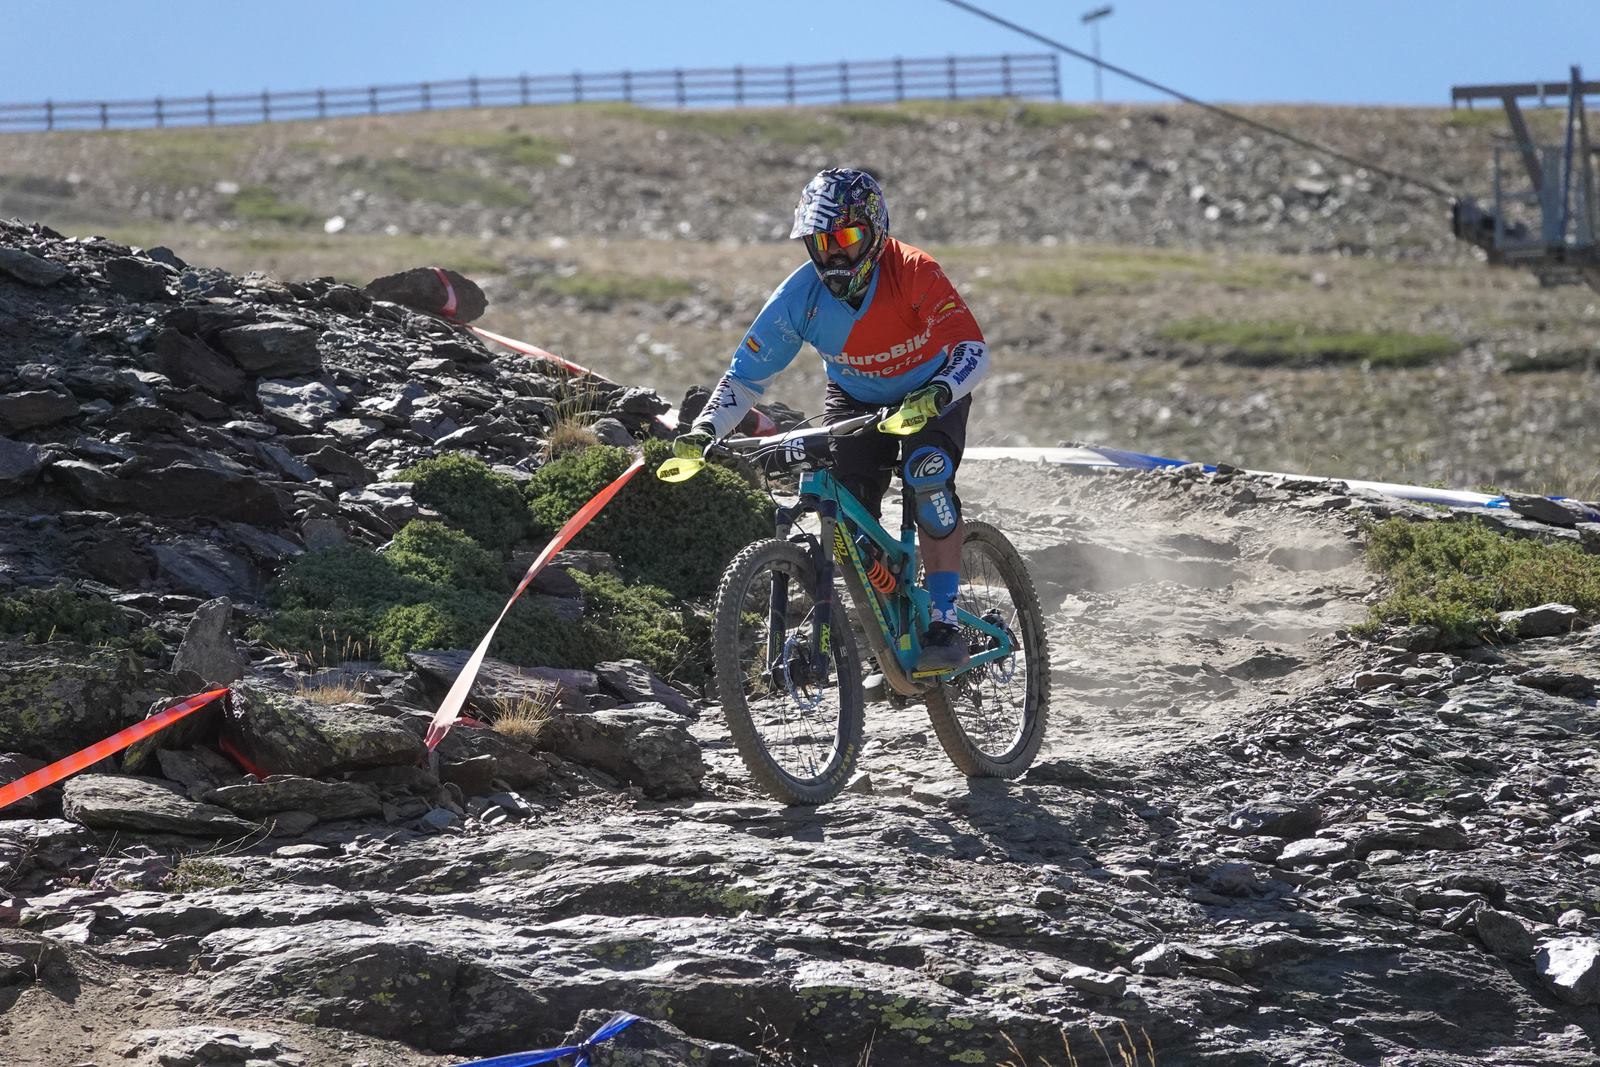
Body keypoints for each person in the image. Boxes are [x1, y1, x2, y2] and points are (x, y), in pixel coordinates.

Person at [675, 167, 990, 672]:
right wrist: (704, 430)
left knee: (926, 476)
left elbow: (972, 349)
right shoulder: (799, 296)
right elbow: (744, 378)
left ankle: (945, 621)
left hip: (933, 392)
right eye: (820, 242)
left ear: (875, 230)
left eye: (845, 238)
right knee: (845, 517)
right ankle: (888, 624)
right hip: (855, 398)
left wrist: (937, 392)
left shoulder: (913, 270)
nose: (834, 254)